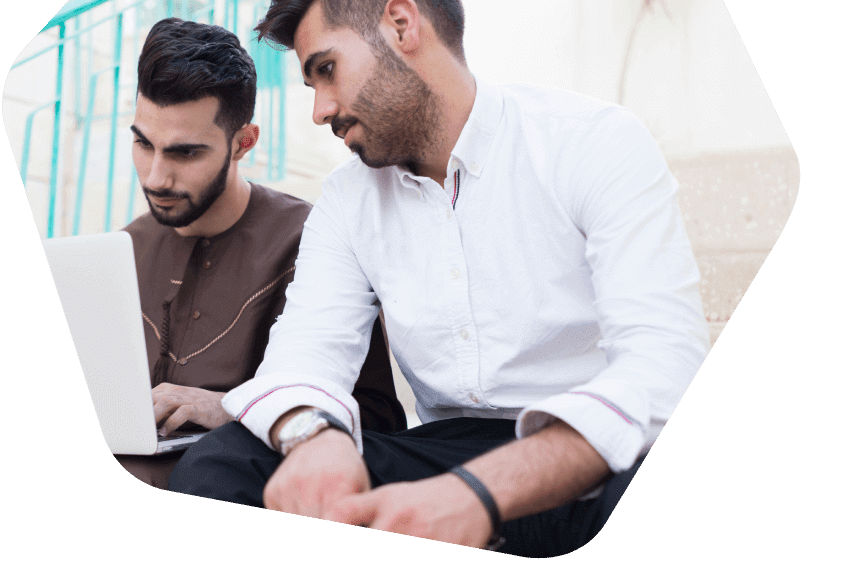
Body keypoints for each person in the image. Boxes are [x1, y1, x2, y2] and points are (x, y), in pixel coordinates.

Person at [170, 0, 709, 557]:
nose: (320, 110)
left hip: (593, 460)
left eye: (326, 69)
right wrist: (313, 436)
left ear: (401, 25)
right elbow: (305, 351)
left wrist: (477, 493)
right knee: (226, 462)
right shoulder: (347, 199)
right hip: (440, 452)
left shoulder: (591, 141)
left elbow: (665, 367)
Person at [115, 17, 406, 490]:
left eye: (185, 153)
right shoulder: (124, 248)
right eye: (143, 144)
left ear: (243, 143)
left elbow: (379, 422)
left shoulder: (310, 239)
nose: (155, 177)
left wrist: (232, 409)